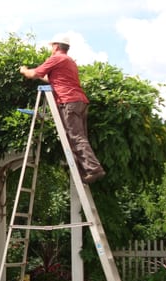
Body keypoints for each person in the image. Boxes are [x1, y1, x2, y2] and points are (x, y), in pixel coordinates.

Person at [19, 34, 105, 184]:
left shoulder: (56, 58)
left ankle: (93, 169)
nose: (51, 49)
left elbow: (32, 74)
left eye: (52, 46)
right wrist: (40, 75)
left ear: (56, 46)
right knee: (79, 138)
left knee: (75, 137)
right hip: (80, 101)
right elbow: (51, 79)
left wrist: (24, 70)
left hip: (68, 102)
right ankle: (86, 171)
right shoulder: (69, 61)